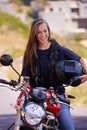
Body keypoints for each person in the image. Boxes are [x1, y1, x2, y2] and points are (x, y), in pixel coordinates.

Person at [21, 18, 87, 130]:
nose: (43, 35)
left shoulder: (58, 49)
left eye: (45, 31)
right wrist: (25, 92)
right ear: (34, 34)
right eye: (39, 32)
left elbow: (79, 59)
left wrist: (85, 74)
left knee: (68, 128)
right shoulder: (30, 53)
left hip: (57, 96)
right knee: (25, 122)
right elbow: (26, 80)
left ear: (49, 31)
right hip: (37, 97)